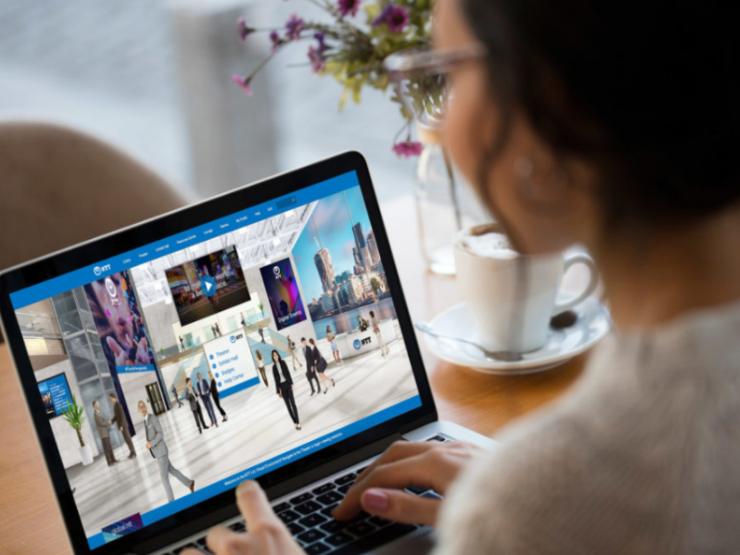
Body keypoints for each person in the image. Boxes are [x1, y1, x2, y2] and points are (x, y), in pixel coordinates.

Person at [183, 2, 740, 554]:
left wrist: (523, 498)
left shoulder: (543, 508)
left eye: (448, 74)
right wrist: (518, 481)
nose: (440, 129)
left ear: (547, 117)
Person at [138, 400, 194, 503]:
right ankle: (189, 483)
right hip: (158, 452)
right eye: (140, 407)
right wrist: (149, 443)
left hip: (161, 452)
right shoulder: (145, 421)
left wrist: (152, 443)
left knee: (163, 477)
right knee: (171, 469)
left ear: (146, 406)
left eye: (143, 406)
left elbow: (160, 433)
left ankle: (171, 501)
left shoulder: (152, 418)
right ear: (138, 411)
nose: (142, 408)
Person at [271, 350, 300, 431]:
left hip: (287, 384)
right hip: (282, 388)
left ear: (278, 355)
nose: (275, 356)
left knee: (293, 404)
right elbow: (275, 380)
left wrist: (292, 383)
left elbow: (288, 372)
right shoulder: (273, 368)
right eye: (274, 355)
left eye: (276, 355)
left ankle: (298, 421)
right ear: (272, 357)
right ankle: (295, 422)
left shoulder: (283, 362)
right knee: (288, 406)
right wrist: (277, 391)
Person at [108, 393, 136, 459]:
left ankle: (133, 452)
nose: (110, 400)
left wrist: (121, 425)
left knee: (128, 439)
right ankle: (132, 452)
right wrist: (112, 421)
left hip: (123, 426)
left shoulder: (118, 405)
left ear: (113, 398)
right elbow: (117, 416)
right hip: (122, 426)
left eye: (110, 398)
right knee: (127, 440)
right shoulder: (115, 405)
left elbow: (122, 416)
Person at [92, 400, 118, 467]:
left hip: (105, 432)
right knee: (106, 449)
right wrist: (108, 423)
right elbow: (101, 423)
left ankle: (113, 459)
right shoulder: (95, 415)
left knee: (109, 447)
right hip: (103, 434)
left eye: (98, 404)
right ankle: (109, 462)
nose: (99, 405)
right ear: (94, 406)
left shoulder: (98, 413)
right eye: (97, 404)